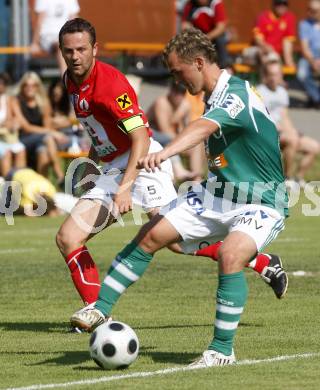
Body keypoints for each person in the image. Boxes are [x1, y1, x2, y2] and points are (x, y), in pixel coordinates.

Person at [71, 28, 289, 367]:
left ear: (199, 63)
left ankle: (221, 352)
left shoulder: (235, 95)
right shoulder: (214, 95)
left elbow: (202, 128)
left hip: (260, 199)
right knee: (152, 234)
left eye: (178, 72)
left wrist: (166, 152)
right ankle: (100, 308)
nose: (175, 80)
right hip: (217, 193)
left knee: (231, 255)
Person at [257, 60, 320, 187]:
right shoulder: (259, 92)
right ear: (265, 75)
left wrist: (292, 130)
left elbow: (284, 116)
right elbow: (257, 119)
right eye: (271, 74)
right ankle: (287, 178)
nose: (275, 78)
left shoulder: (282, 92)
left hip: (283, 132)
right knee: (292, 140)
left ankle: (299, 178)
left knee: (314, 147)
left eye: (278, 74)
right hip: (267, 135)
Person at [11, 72, 66, 183]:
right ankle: (59, 174)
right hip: (23, 139)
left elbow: (47, 125)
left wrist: (50, 131)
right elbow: (26, 127)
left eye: (33, 85)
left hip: (41, 140)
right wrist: (52, 132)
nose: (29, 88)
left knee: (43, 150)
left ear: (37, 86)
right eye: (26, 85)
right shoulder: (16, 101)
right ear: (22, 87)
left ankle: (42, 187)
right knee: (48, 138)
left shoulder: (43, 102)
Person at [147, 81, 204, 182]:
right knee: (169, 139)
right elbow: (164, 131)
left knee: (197, 143)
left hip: (173, 139)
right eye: (177, 93)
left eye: (182, 93)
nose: (179, 96)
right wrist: (177, 116)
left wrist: (189, 141)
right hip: (154, 138)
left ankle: (197, 180)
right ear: (171, 91)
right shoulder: (161, 103)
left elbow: (187, 129)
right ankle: (179, 173)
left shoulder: (185, 105)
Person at [30, 0, 80, 74]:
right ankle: (66, 80)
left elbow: (74, 19)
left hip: (65, 35)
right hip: (48, 37)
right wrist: (35, 43)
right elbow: (39, 21)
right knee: (61, 45)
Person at [181, 0, 230, 68]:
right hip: (198, 36)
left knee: (220, 40)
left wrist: (206, 37)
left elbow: (221, 27)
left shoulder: (216, 3)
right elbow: (185, 25)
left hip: (214, 36)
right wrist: (193, 35)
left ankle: (225, 66)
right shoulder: (190, 4)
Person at [252, 0, 296, 67]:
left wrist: (288, 60)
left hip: (276, 56)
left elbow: (287, 41)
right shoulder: (263, 17)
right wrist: (268, 48)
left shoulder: (289, 18)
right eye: (279, 3)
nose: (282, 6)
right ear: (273, 4)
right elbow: (258, 40)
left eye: (285, 4)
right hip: (260, 51)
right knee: (266, 58)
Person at [0, 72, 26, 177]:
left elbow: (19, 120)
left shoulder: (10, 100)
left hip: (8, 138)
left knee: (20, 150)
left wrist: (14, 123)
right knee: (6, 153)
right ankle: (7, 187)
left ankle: (20, 183)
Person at [297, 0, 320, 108]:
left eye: (314, 11)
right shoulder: (304, 24)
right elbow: (305, 47)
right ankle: (316, 98)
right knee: (302, 74)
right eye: (309, 10)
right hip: (309, 56)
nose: (310, 13)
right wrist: (313, 61)